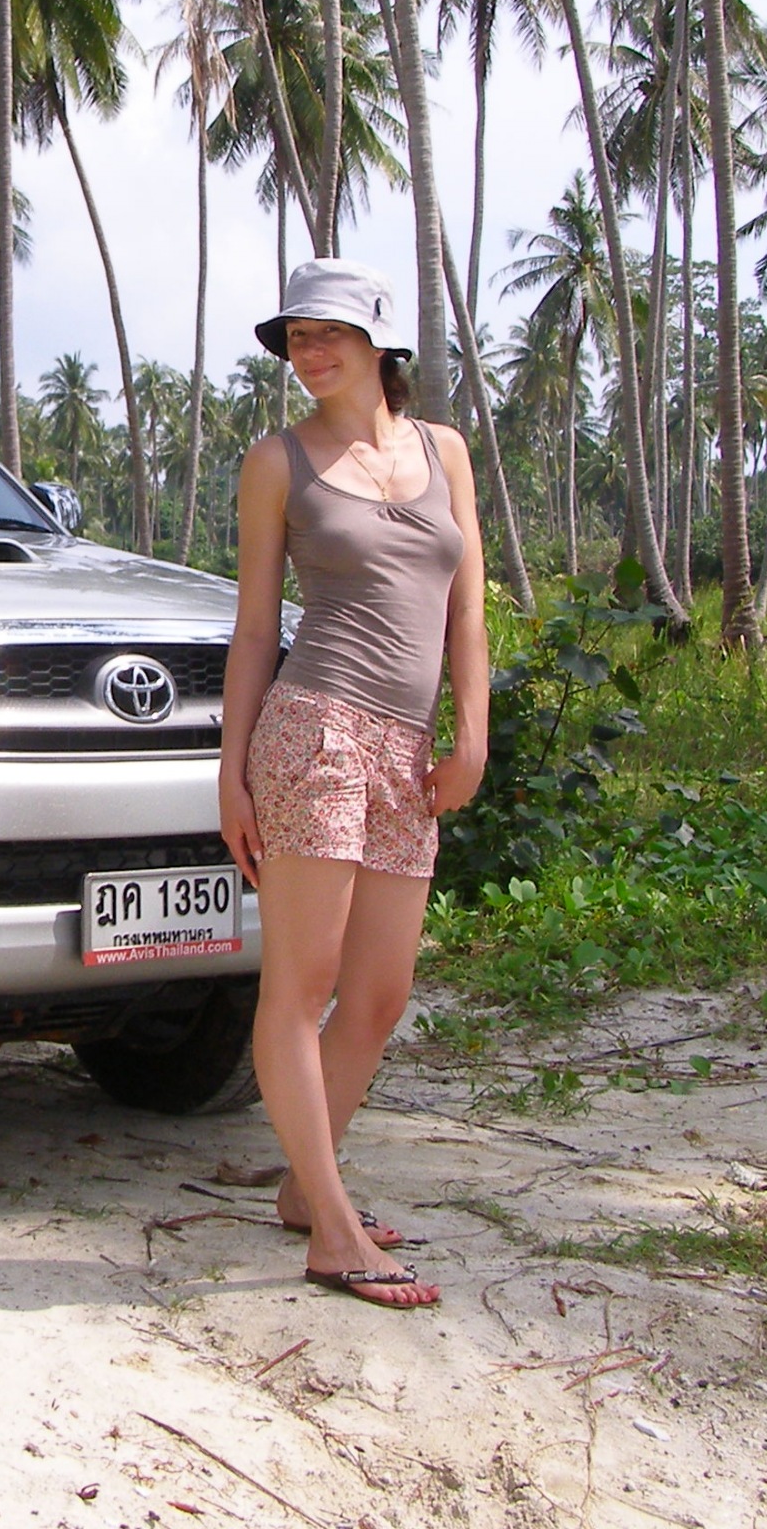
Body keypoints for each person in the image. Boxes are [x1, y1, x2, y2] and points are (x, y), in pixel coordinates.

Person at [219, 259, 489, 1310]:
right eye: (296, 336)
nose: (310, 350)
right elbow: (254, 630)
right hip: (314, 732)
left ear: (381, 340)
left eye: (329, 331)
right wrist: (232, 774)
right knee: (302, 986)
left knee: (378, 995)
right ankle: (333, 1231)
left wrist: (472, 735)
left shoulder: (444, 451)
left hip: (406, 749)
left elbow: (467, 609)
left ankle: (304, 1185)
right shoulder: (277, 462)